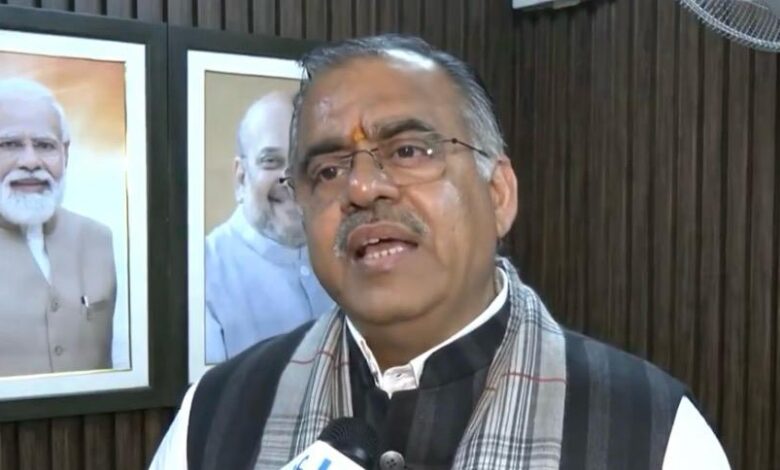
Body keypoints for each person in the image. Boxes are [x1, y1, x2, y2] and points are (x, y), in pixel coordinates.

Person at [152, 35, 730, 469]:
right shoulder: (217, 417)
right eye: (328, 170)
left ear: (498, 194)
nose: (362, 188)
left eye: (408, 151)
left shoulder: (651, 432)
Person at [204, 91, 333, 363]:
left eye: (306, 162)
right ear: (241, 177)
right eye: (271, 161)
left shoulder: (350, 255)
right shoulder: (202, 274)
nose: (292, 179)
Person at [0, 78, 116, 377]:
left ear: (65, 153)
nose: (30, 161)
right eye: (9, 144)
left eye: (44, 145)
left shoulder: (100, 239)